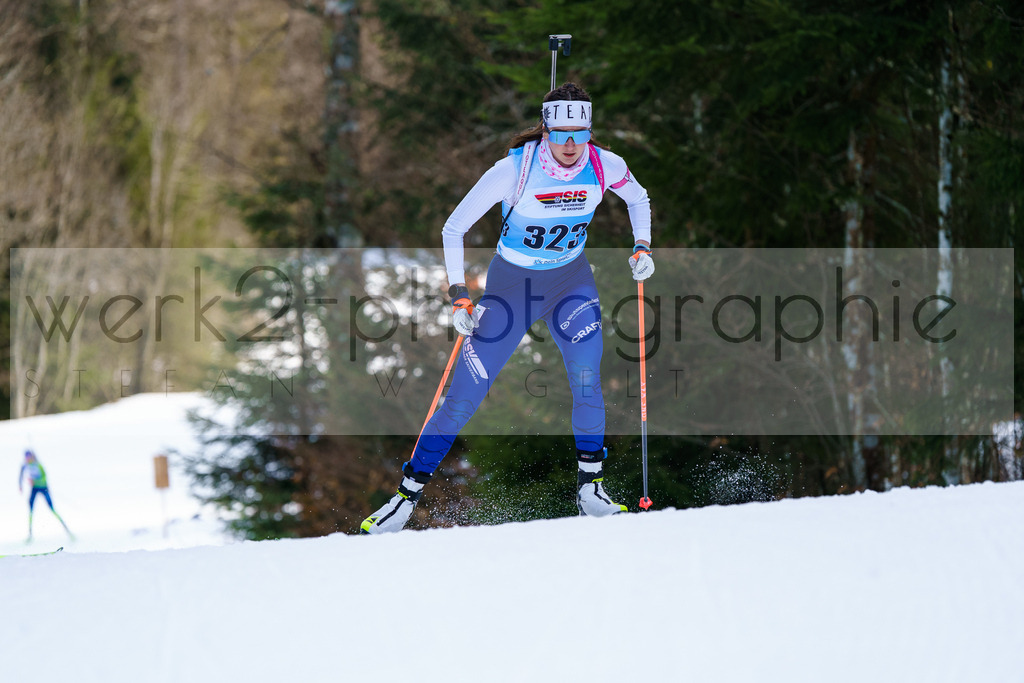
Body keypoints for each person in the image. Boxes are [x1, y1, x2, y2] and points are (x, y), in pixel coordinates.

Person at [361, 82, 654, 534]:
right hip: (511, 286)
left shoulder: (604, 165)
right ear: (546, 131)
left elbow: (638, 198)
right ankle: (404, 498)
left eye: (580, 132)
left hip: (570, 281)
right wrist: (459, 293)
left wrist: (641, 247)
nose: (572, 144)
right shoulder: (513, 171)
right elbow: (453, 228)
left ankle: (590, 489)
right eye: (561, 135)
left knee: (587, 378)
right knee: (464, 397)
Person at [19, 450, 73, 542]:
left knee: (52, 508)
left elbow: (44, 478)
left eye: (29, 456)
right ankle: (30, 535)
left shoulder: (38, 465)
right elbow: (20, 475)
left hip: (43, 487)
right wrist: (20, 485)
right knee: (31, 509)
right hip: (34, 489)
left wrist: (35, 481)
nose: (27, 459)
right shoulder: (25, 465)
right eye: (26, 457)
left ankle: (67, 530)